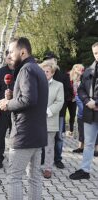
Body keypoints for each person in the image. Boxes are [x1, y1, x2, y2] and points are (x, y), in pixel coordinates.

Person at [0, 37, 48, 199]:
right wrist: (13, 96)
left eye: (11, 51)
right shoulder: (37, 69)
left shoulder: (26, 70)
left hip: (24, 134)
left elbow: (28, 100)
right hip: (37, 134)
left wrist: (8, 104)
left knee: (14, 178)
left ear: (23, 51)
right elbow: (32, 97)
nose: (9, 55)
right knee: (34, 178)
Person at [69, 42, 98, 180]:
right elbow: (81, 90)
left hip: (95, 106)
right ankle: (85, 170)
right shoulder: (88, 71)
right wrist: (87, 101)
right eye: (95, 53)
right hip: (90, 112)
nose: (97, 55)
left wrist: (96, 102)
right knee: (89, 143)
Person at [43, 51, 70, 169]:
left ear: (56, 60)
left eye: (51, 59)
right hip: (44, 113)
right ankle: (44, 159)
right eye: (47, 59)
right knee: (44, 138)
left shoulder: (63, 75)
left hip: (59, 112)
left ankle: (57, 159)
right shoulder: (43, 73)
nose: (49, 61)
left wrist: (57, 105)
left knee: (58, 137)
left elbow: (68, 92)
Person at [39, 60, 64, 179]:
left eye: (47, 71)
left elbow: (59, 102)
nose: (45, 73)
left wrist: (47, 111)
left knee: (49, 147)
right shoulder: (36, 83)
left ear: (53, 72)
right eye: (43, 71)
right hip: (36, 120)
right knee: (35, 146)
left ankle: (48, 168)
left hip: (50, 120)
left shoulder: (59, 85)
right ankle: (34, 166)